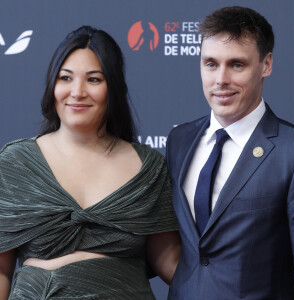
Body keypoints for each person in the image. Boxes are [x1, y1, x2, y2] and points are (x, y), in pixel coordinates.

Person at [0, 26, 181, 299]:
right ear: (53, 85)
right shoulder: (16, 164)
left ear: (113, 88)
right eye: (65, 78)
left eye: (94, 80)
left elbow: (169, 262)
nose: (77, 92)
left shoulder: (149, 167)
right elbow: (1, 271)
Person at [166, 6, 294, 300]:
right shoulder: (179, 141)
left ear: (266, 64)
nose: (221, 79)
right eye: (210, 64)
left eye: (237, 65)